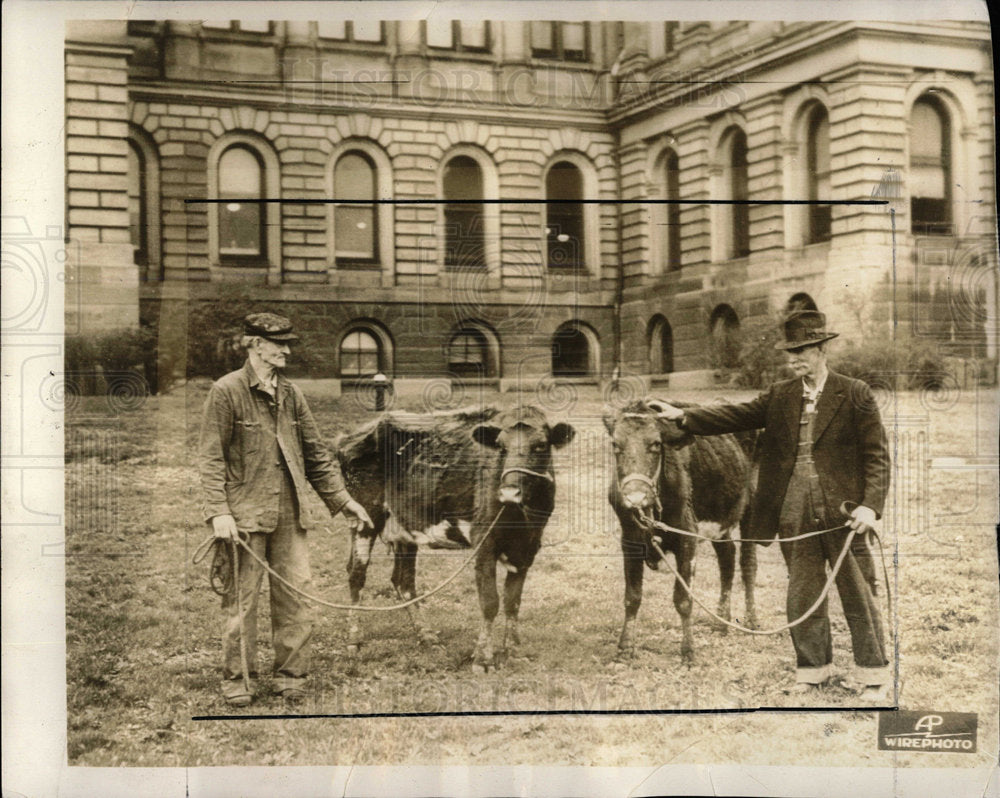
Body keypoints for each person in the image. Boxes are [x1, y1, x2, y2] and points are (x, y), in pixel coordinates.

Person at [650, 309, 891, 701]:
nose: (794, 359)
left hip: (843, 518)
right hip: (793, 513)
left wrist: (870, 506)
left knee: (857, 594)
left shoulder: (855, 393)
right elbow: (736, 414)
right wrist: (685, 416)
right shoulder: (781, 395)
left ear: (822, 349)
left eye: (803, 351)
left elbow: (877, 456)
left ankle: (875, 676)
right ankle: (814, 671)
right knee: (802, 596)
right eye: (790, 352)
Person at [198, 312, 372, 706]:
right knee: (242, 600)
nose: (287, 351)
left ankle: (291, 675)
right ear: (256, 345)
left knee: (297, 595)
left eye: (288, 344)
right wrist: (218, 512)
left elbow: (316, 456)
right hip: (243, 515)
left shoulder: (291, 395)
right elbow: (210, 459)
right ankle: (238, 679)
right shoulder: (226, 391)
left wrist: (344, 502)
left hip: (290, 515)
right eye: (279, 344)